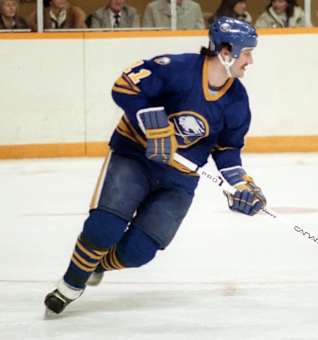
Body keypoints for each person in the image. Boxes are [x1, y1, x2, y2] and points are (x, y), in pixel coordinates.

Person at [43, 16, 267, 315]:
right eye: (247, 52)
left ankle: (95, 264)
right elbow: (124, 86)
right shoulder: (176, 69)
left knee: (139, 252)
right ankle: (70, 284)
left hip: (179, 180)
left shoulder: (237, 100)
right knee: (103, 229)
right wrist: (154, 124)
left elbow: (227, 150)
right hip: (134, 158)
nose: (250, 60)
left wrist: (240, 184)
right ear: (226, 52)